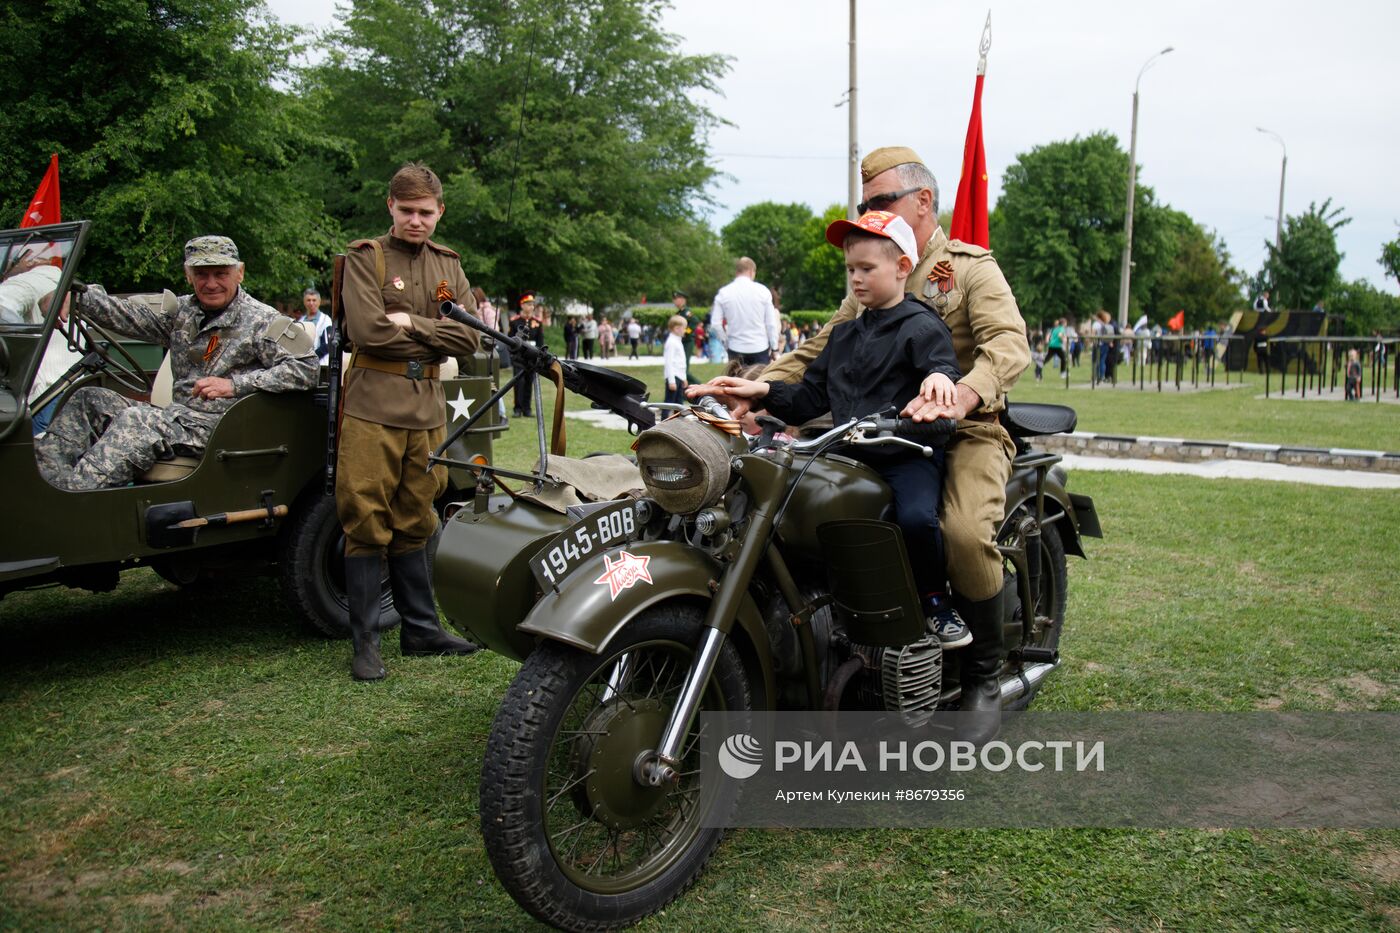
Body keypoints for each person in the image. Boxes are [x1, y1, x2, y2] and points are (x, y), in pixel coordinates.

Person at [706, 147, 1029, 743]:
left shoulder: (969, 268)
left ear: (922, 202)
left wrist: (961, 395)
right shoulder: (867, 271)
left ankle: (982, 673)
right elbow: (819, 355)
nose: (868, 213)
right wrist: (759, 388)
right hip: (876, 429)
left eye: (880, 202)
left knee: (957, 532)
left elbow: (1008, 345)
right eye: (865, 205)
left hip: (965, 427)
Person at [689, 210, 968, 649]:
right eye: (850, 269)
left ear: (901, 268)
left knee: (917, 517)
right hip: (848, 454)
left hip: (905, 454)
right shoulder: (845, 336)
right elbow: (810, 396)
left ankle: (935, 602)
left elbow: (941, 365)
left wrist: (940, 378)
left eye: (867, 268)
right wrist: (761, 389)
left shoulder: (921, 324)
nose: (856, 279)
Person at [336, 161, 484, 682]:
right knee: (365, 516)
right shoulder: (366, 259)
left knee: (418, 513)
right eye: (407, 211)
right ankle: (365, 642)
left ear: (440, 211)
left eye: (426, 212)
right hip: (373, 403)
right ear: (390, 208)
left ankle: (420, 630)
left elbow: (469, 339)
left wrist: (412, 323)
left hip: (426, 405)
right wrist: (430, 332)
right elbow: (370, 333)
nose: (416, 221)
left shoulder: (449, 267)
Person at [35, 236, 318, 491]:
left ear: (239, 273)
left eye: (221, 273)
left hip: (222, 427)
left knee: (139, 420)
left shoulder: (262, 320)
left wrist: (234, 385)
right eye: (201, 274)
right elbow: (125, 314)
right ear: (188, 275)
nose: (211, 283)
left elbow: (306, 369)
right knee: (89, 399)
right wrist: (77, 299)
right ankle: (47, 486)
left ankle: (72, 499)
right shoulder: (181, 312)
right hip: (179, 418)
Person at [713, 256, 780, 365]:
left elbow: (716, 324)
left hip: (735, 346)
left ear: (737, 272)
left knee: (736, 381)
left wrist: (726, 343)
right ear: (751, 271)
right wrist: (774, 348)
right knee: (759, 380)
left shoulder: (724, 293)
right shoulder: (763, 291)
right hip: (760, 346)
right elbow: (771, 324)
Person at [509, 295, 545, 416]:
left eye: (532, 304)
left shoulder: (538, 323)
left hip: (532, 357)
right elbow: (510, 340)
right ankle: (517, 409)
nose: (531, 307)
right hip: (519, 357)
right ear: (522, 305)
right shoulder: (515, 322)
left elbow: (540, 342)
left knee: (529, 382)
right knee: (519, 383)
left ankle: (527, 409)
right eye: (529, 304)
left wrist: (540, 356)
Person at [300, 288, 333, 364]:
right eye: (308, 300)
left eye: (314, 300)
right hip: (302, 365)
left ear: (319, 302)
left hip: (320, 365)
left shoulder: (325, 320)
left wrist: (311, 359)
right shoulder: (301, 321)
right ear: (304, 302)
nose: (311, 303)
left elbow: (327, 345)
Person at [662, 314, 688, 405]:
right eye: (684, 328)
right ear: (677, 328)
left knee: (679, 402)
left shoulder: (677, 340)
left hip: (679, 376)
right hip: (673, 376)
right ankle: (664, 419)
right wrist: (671, 381)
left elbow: (681, 361)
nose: (685, 330)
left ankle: (678, 419)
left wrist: (684, 378)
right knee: (669, 402)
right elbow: (669, 362)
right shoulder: (671, 342)